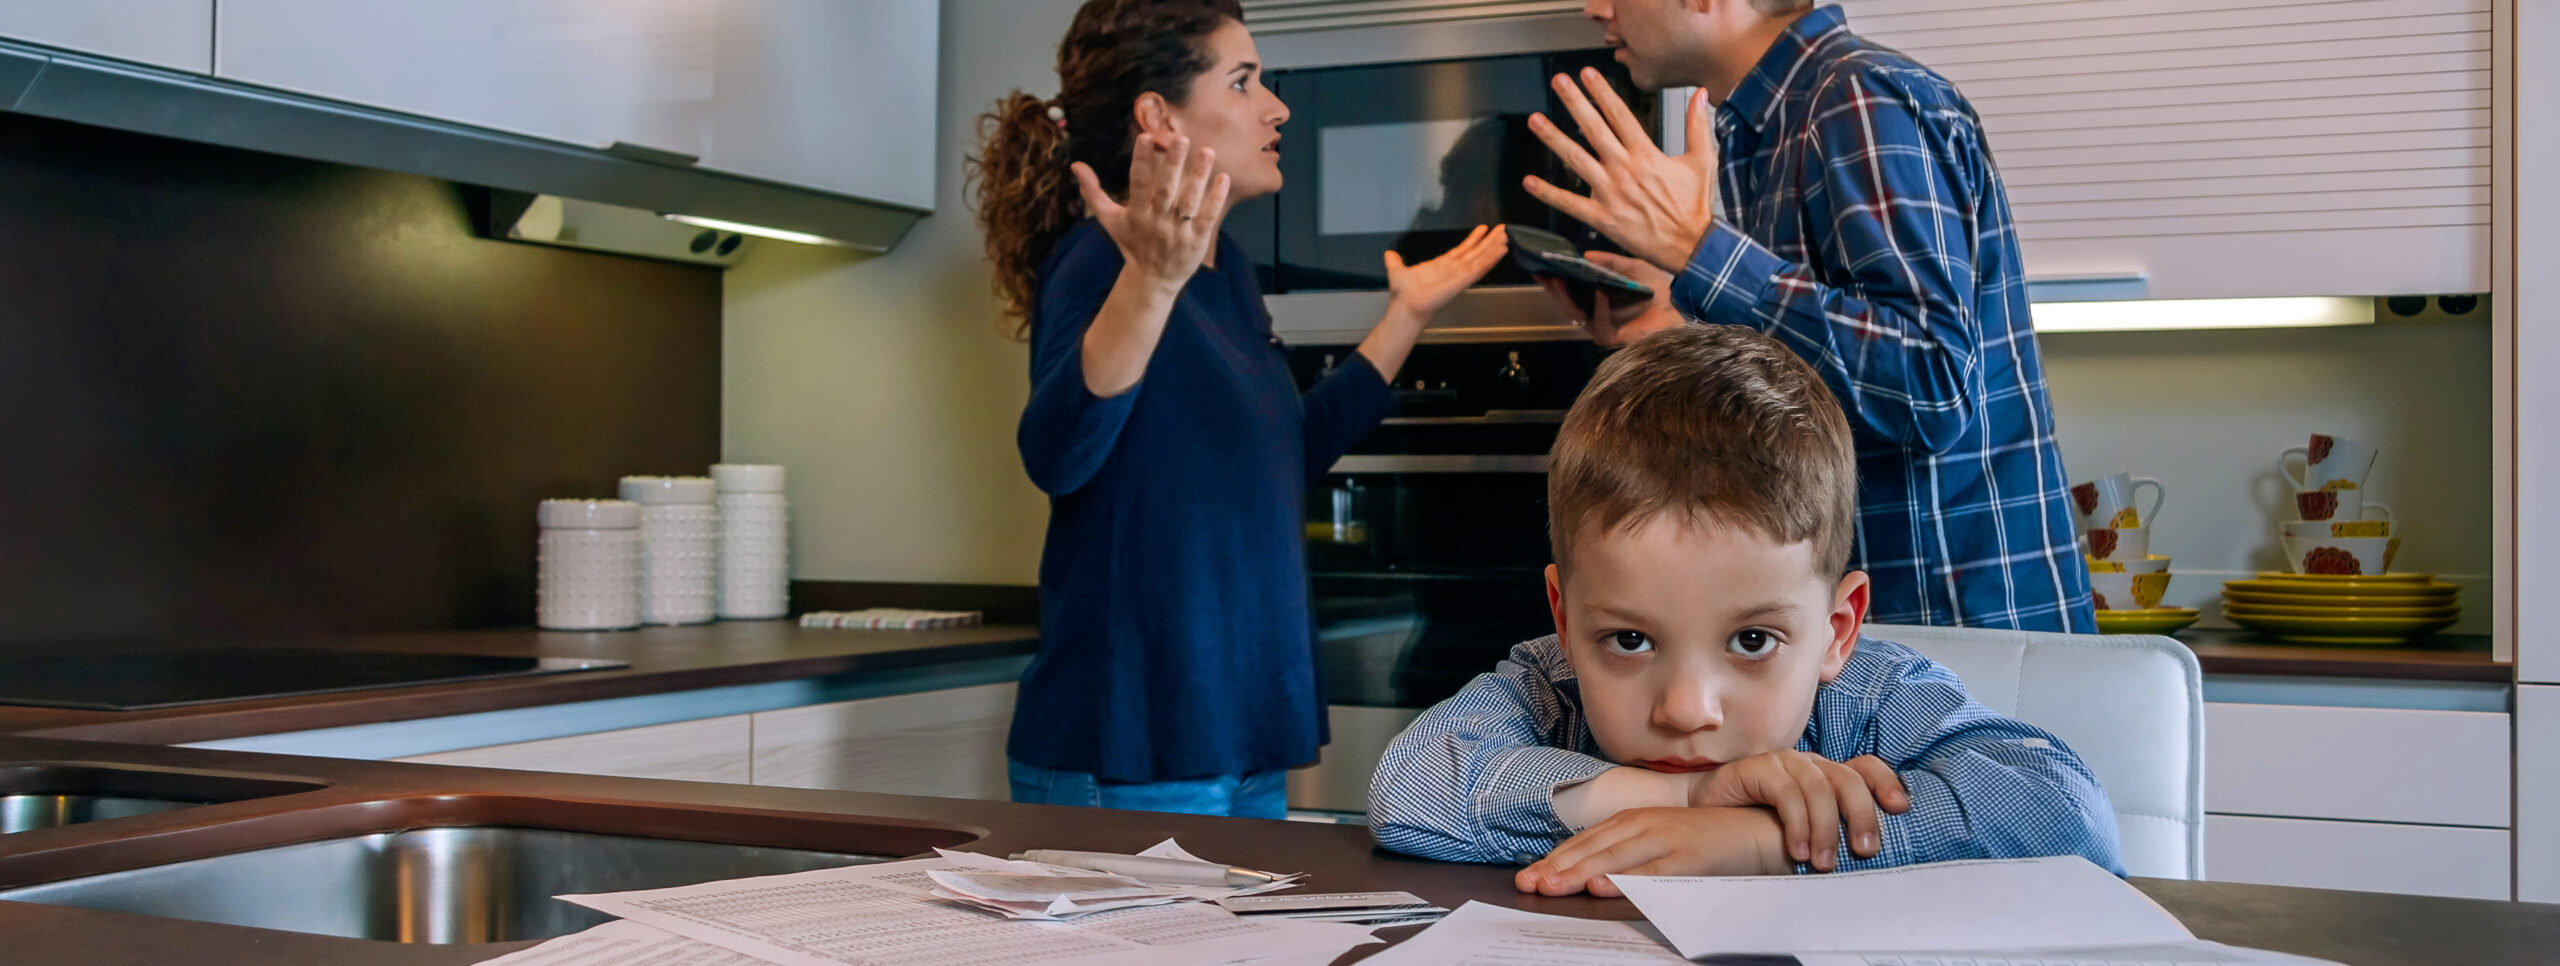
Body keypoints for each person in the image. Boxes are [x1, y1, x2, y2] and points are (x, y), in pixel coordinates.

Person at [968, 0, 1509, 818]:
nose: (1276, 105)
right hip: (1136, 748)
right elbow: (1057, 452)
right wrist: (1150, 281)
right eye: (1244, 80)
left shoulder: (1228, 274)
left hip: (1240, 738)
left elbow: (1284, 454)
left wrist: (1408, 315)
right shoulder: (1099, 263)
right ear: (1159, 116)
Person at [1367, 325, 2121, 894]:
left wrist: (1762, 842)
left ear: (1837, 631)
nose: (1687, 710)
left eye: (1753, 639)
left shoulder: (1873, 696)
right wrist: (1685, 797)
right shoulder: (1547, 682)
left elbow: (2069, 813)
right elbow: (1409, 789)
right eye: (1629, 639)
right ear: (1564, 619)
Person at [1523, 0, 2095, 633]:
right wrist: (1684, 318)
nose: (1593, 7)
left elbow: (1931, 385)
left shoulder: (1856, 98)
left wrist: (1699, 251)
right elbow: (1826, 376)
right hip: (1877, 631)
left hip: (1960, 632)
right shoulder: (1768, 126)